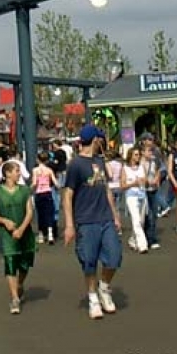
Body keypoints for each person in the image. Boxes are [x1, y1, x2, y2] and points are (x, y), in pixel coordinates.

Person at [63, 124, 122, 320]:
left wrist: (115, 214)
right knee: (89, 262)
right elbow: (68, 195)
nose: (102, 142)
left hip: (105, 217)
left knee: (114, 256)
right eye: (100, 139)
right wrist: (70, 225)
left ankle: (104, 288)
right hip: (86, 221)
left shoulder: (100, 160)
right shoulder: (76, 165)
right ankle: (92, 297)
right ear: (94, 140)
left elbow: (106, 189)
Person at [0, 160, 36, 315]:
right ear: (8, 173)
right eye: (16, 171)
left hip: (25, 232)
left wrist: (22, 228)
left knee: (25, 263)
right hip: (7, 234)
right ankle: (15, 298)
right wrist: (4, 221)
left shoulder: (24, 191)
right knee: (10, 263)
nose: (19, 174)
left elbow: (29, 211)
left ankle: (20, 284)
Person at [121, 147, 148, 253]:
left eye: (138, 155)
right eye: (136, 155)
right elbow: (122, 185)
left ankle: (132, 240)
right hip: (131, 196)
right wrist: (133, 183)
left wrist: (142, 181)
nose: (138, 157)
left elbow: (145, 180)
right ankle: (143, 245)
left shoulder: (141, 167)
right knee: (136, 220)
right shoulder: (125, 168)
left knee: (141, 221)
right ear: (131, 156)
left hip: (142, 195)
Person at [138, 135, 163, 250]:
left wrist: (157, 179)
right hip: (145, 191)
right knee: (148, 216)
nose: (151, 153)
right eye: (148, 151)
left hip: (153, 190)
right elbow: (142, 176)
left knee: (153, 213)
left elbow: (158, 170)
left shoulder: (153, 161)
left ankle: (150, 237)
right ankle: (149, 238)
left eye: (151, 151)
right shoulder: (141, 163)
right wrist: (150, 181)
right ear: (143, 152)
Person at [31, 152, 58, 245]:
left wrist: (29, 189)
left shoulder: (35, 170)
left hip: (39, 193)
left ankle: (41, 235)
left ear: (38, 159)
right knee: (49, 214)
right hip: (48, 192)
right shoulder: (49, 170)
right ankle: (50, 234)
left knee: (40, 214)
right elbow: (55, 182)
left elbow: (34, 183)